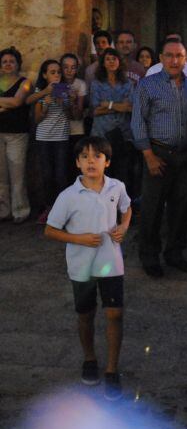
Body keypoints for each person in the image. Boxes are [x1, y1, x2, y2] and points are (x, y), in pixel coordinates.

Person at [44, 136, 131, 401]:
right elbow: (50, 230)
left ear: (107, 162)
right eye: (84, 156)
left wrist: (124, 227)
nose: (91, 161)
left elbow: (127, 209)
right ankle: (90, 359)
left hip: (111, 262)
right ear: (77, 164)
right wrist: (78, 238)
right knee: (86, 314)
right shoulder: (69, 196)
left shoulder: (116, 187)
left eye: (96, 156)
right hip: (82, 265)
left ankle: (112, 369)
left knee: (114, 314)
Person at [131, 37, 187, 277]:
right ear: (160, 58)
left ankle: (174, 253)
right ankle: (149, 257)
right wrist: (148, 155)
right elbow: (138, 121)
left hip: (185, 154)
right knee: (152, 207)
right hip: (157, 153)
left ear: (186, 59)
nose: (174, 60)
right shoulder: (148, 85)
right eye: (169, 55)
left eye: (179, 56)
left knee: (180, 207)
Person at [30, 59, 71, 224]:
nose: (56, 75)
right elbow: (37, 119)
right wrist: (45, 104)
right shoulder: (40, 90)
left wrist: (66, 102)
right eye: (52, 72)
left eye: (58, 72)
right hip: (44, 138)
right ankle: (49, 208)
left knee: (61, 175)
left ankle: (63, 211)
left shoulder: (65, 89)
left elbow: (72, 115)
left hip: (61, 137)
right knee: (47, 175)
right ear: (45, 75)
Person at [90, 48, 134, 186]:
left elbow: (129, 108)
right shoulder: (96, 83)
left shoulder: (128, 83)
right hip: (101, 134)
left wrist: (107, 104)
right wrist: (118, 106)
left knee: (122, 174)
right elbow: (95, 110)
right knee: (102, 173)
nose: (111, 62)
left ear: (119, 62)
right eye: (108, 59)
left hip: (123, 134)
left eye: (114, 59)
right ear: (103, 62)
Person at [0, 47, 32, 223]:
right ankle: (3, 211)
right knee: (0, 176)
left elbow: (18, 100)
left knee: (17, 174)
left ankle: (20, 211)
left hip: (17, 134)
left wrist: (11, 103)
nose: (8, 64)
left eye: (11, 61)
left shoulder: (25, 82)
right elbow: (12, 103)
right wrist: (9, 104)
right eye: (4, 61)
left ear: (18, 64)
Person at [60, 54, 87, 182]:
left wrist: (73, 102)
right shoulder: (57, 84)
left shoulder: (80, 84)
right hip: (59, 131)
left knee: (75, 168)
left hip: (76, 131)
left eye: (73, 67)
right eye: (65, 67)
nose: (69, 71)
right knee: (61, 168)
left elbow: (77, 116)